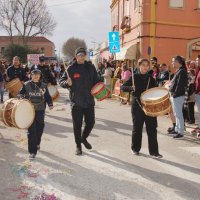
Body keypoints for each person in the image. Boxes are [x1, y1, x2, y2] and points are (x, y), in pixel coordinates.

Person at [59, 47, 99, 155]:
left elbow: (97, 80)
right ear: (76, 56)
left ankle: (83, 138)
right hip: (76, 102)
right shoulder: (71, 68)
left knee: (91, 123)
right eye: (79, 55)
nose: (81, 57)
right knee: (77, 126)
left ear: (85, 56)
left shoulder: (90, 67)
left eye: (83, 55)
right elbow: (61, 81)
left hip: (89, 100)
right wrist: (67, 83)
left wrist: (100, 88)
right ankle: (78, 146)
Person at [121, 58, 162, 158]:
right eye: (143, 65)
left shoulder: (151, 78)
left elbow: (156, 91)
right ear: (139, 66)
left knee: (152, 128)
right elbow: (123, 87)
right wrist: (131, 88)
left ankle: (154, 152)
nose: (145, 67)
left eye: (147, 65)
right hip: (137, 106)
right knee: (137, 128)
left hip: (149, 106)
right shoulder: (134, 77)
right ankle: (135, 149)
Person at [19, 68, 53, 159]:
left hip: (40, 110)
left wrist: (50, 103)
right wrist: (21, 97)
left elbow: (47, 96)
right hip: (29, 110)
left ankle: (37, 142)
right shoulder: (26, 85)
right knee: (31, 131)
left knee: (40, 128)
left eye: (37, 74)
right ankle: (32, 151)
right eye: (33, 74)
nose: (35, 76)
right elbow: (20, 94)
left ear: (40, 76)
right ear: (30, 75)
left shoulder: (43, 85)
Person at [169, 56, 188, 139]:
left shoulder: (182, 72)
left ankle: (180, 132)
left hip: (178, 96)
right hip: (176, 96)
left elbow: (180, 85)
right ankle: (177, 129)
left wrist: (174, 94)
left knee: (179, 115)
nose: (172, 63)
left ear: (177, 62)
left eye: (173, 61)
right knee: (177, 114)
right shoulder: (179, 71)